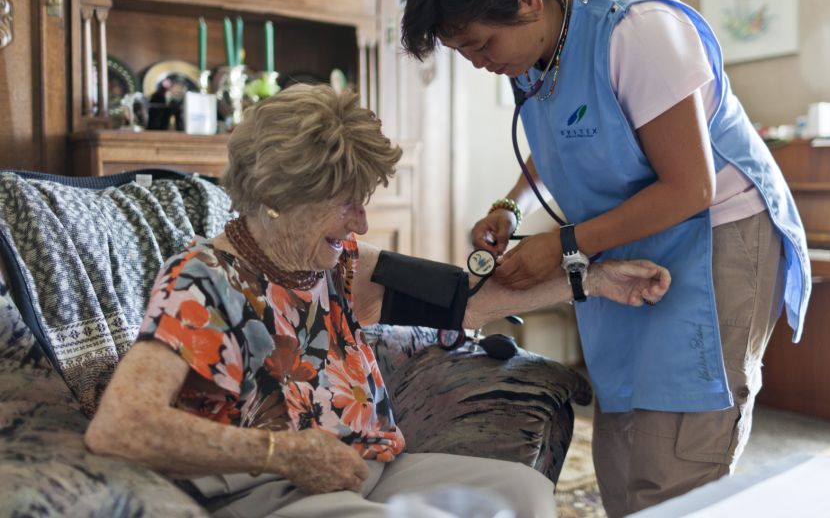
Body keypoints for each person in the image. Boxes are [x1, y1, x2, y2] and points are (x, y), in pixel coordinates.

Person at [84, 83, 671, 518]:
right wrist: (282, 454)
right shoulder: (203, 284)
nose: (362, 222)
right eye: (347, 203)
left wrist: (593, 281)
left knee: (522, 494)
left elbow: (460, 300)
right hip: (272, 492)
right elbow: (119, 426)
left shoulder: (334, 262)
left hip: (370, 470)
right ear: (281, 197)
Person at [400, 0, 811, 516]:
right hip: (627, 233)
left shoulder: (638, 34)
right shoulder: (537, 51)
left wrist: (563, 244)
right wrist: (512, 204)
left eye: (482, 45)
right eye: (465, 53)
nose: (480, 63)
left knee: (678, 449)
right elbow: (568, 135)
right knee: (622, 436)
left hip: (715, 229)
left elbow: (691, 186)